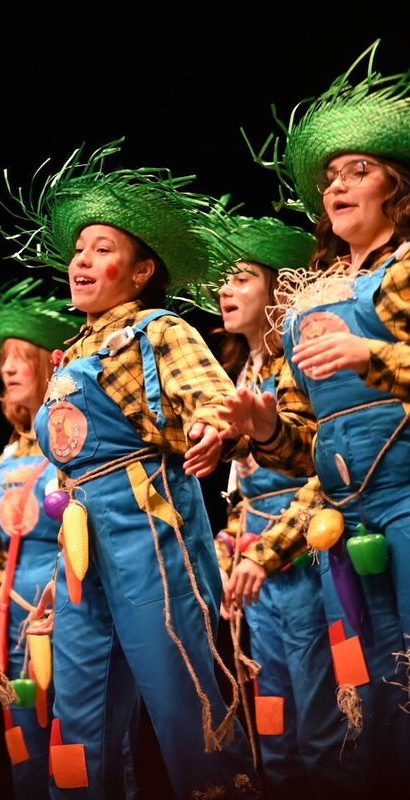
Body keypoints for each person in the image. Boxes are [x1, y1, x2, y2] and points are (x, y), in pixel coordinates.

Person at [1, 141, 255, 797]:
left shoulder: (158, 329)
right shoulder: (74, 352)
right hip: (82, 549)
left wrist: (210, 428)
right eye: (80, 248)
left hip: (150, 531)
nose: (83, 260)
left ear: (141, 272)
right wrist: (59, 569)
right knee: (79, 715)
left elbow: (211, 397)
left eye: (103, 249)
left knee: (184, 701)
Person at [221, 42, 410, 791]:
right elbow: (316, 451)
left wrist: (376, 357)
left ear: (398, 187)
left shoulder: (405, 271)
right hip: (343, 520)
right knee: (366, 696)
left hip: (406, 501)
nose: (337, 184)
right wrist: (266, 430)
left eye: (357, 170)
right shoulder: (311, 299)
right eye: (330, 176)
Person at [213, 215, 359, 796]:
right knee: (269, 720)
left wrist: (267, 553)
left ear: (278, 290)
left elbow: (323, 466)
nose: (226, 290)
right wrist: (230, 556)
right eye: (224, 279)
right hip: (255, 569)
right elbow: (236, 486)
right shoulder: (238, 373)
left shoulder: (300, 356)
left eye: (242, 278)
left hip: (301, 557)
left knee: (319, 723)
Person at [0, 279, 82, 798]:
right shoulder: (8, 452)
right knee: (23, 754)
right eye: (3, 358)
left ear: (49, 364)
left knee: (78, 749)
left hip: (70, 617)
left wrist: (64, 599)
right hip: (10, 634)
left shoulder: (74, 436)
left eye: (20, 357)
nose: (7, 368)